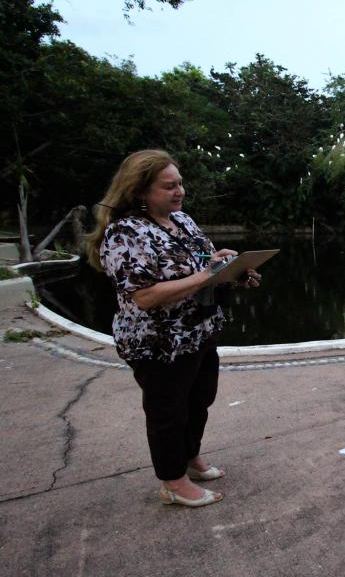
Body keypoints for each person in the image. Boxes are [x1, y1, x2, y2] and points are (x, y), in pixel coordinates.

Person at [84, 150, 261, 508]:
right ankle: (173, 481)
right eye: (168, 186)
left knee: (199, 400)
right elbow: (145, 296)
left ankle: (190, 457)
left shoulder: (182, 221)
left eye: (180, 183)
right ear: (139, 191)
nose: (179, 191)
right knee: (168, 411)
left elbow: (202, 267)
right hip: (158, 342)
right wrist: (205, 275)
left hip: (198, 331)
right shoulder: (125, 233)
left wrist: (229, 270)